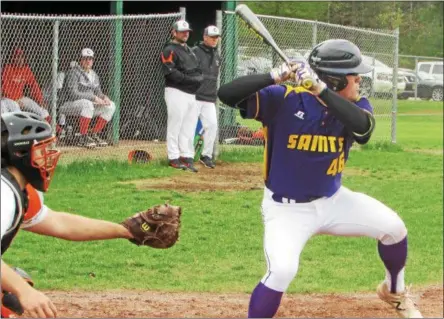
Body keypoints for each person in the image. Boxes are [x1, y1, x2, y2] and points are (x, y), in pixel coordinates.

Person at [217, 39, 422, 319]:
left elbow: (363, 129)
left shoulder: (356, 105)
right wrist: (275, 75)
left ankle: (394, 292)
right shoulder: (283, 99)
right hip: (286, 210)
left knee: (394, 229)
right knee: (282, 271)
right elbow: (226, 94)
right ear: (336, 80)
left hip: (333, 201)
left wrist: (320, 89)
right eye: (353, 75)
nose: (359, 79)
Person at [1, 112, 182, 318]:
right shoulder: (4, 193)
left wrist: (127, 231)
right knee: (12, 293)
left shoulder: (19, 190)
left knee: (12, 289)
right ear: (20, 153)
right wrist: (23, 291)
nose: (49, 155)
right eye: (42, 149)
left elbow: (59, 223)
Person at [161, 20, 203, 172]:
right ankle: (173, 157)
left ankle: (186, 155)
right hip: (176, 92)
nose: (186, 34)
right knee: (175, 125)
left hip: (191, 94)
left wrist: (197, 79)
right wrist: (190, 79)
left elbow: (197, 70)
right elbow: (171, 73)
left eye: (187, 32)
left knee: (189, 127)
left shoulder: (189, 50)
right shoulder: (169, 49)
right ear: (174, 32)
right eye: (182, 31)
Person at [59, 48, 116, 149]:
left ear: (93, 60)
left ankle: (94, 134)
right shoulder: (73, 73)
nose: (88, 61)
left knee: (111, 105)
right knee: (87, 104)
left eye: (90, 59)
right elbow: (73, 94)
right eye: (85, 58)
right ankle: (83, 137)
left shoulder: (94, 75)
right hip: (68, 105)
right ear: (81, 59)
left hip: (86, 106)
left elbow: (98, 91)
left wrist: (104, 97)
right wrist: (93, 97)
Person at [0, 48, 55, 129]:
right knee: (16, 108)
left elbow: (34, 86)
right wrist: (15, 100)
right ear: (12, 58)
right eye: (16, 57)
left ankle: (54, 129)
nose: (19, 59)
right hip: (8, 98)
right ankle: (20, 132)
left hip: (21, 98)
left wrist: (41, 101)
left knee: (41, 109)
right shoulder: (7, 69)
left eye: (21, 57)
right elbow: (5, 88)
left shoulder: (26, 69)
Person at [192, 25, 221, 169]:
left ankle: (206, 155)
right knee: (189, 127)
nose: (215, 40)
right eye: (212, 37)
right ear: (205, 37)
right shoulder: (195, 52)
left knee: (212, 125)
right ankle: (186, 156)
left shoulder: (217, 55)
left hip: (209, 98)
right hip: (194, 96)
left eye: (217, 37)